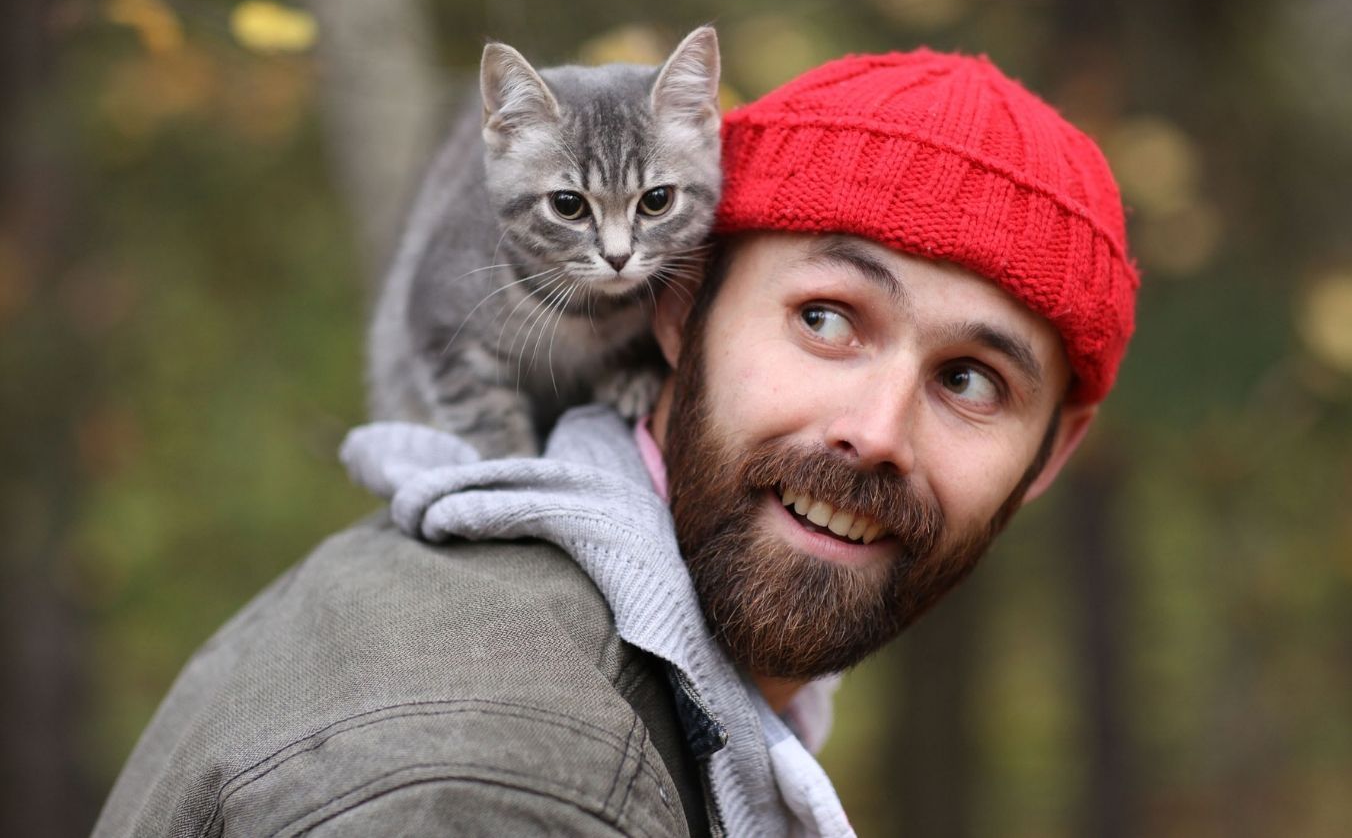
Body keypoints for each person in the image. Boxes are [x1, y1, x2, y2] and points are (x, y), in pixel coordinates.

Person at [92, 49, 1137, 837]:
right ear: (674, 311)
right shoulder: (515, 775)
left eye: (967, 381)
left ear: (1050, 455)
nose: (873, 434)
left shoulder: (653, 700)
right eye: (824, 318)